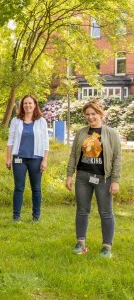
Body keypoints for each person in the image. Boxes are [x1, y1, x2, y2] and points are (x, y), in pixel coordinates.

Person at [66, 99, 121, 259]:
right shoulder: (81, 132)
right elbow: (74, 155)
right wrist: (70, 174)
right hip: (83, 177)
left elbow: (117, 157)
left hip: (104, 178)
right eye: (87, 114)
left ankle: (106, 246)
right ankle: (80, 243)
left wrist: (115, 180)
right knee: (82, 210)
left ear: (100, 114)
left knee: (106, 212)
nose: (90, 117)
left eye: (93, 114)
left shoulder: (111, 133)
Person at [6, 95, 49, 222]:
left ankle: (36, 217)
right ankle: (16, 217)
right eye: (25, 103)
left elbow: (46, 142)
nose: (28, 106)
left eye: (30, 103)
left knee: (36, 188)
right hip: (19, 158)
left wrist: (45, 160)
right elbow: (11, 140)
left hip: (36, 158)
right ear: (22, 105)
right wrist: (8, 158)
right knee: (19, 187)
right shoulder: (16, 120)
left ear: (35, 105)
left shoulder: (41, 121)